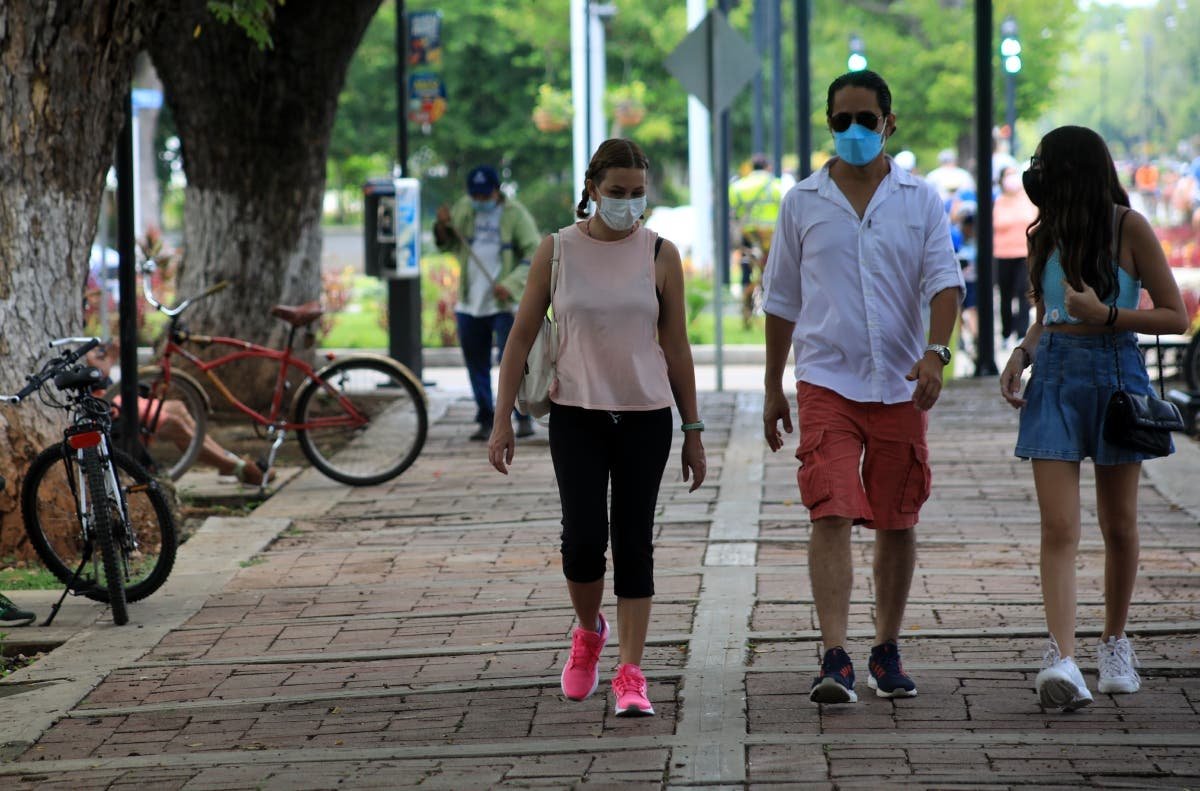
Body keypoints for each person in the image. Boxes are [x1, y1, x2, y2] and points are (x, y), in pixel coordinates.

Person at [761, 70, 964, 705]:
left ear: (889, 124)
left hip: (902, 384)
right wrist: (773, 386)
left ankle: (886, 648)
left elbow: (945, 283)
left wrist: (935, 355)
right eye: (841, 120)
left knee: (897, 517)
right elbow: (781, 301)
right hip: (826, 379)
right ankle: (834, 655)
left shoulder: (920, 199)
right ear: (829, 125)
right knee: (831, 508)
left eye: (865, 120)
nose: (853, 130)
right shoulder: (802, 202)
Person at [487, 138, 705, 717]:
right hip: (576, 414)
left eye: (638, 193)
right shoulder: (557, 249)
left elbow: (676, 345)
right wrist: (502, 419)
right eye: (616, 192)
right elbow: (520, 336)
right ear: (592, 190)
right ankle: (588, 631)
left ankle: (631, 673)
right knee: (583, 541)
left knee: (634, 542)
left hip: (646, 416)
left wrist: (693, 429)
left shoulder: (660, 254)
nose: (627, 203)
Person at [999, 126, 1187, 712]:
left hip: (1115, 375)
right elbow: (1047, 314)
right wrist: (1023, 352)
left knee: (1119, 524)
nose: (1035, 175)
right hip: (1054, 375)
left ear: (1073, 170)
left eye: (1044, 164)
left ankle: (1114, 643)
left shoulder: (1129, 227)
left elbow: (1175, 315)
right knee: (1058, 527)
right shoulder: (1044, 232)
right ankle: (1061, 658)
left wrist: (1105, 314)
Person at [433, 165, 543, 441]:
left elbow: (534, 252)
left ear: (496, 192)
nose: (480, 200)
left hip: (504, 304)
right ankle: (485, 417)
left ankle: (522, 417)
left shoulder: (515, 214)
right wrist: (442, 225)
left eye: (485, 195)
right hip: (470, 302)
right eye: (475, 195)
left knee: (512, 361)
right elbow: (448, 243)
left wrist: (512, 284)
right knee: (476, 363)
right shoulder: (464, 208)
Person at [86, 344, 267, 485]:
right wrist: (105, 362)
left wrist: (106, 359)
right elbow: (96, 377)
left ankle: (226, 459)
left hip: (114, 398)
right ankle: (238, 468)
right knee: (172, 423)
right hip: (106, 406)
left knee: (177, 407)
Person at [729, 155, 785, 327]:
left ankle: (746, 309)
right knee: (770, 272)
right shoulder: (777, 185)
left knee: (746, 269)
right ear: (768, 167)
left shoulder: (738, 186)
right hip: (770, 236)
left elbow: (733, 208)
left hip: (748, 234)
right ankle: (770, 309)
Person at [993, 164, 1039, 347]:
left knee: (1023, 293)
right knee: (1005, 295)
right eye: (1007, 175)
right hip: (1002, 254)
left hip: (1024, 254)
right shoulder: (997, 202)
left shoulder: (1028, 200)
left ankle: (1021, 332)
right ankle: (1006, 332)